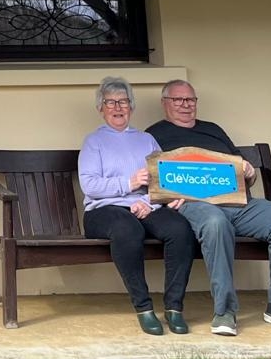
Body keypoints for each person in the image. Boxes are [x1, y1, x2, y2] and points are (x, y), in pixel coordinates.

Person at [146, 79, 271, 336]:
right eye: (178, 99)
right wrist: (166, 196)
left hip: (236, 203)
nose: (185, 104)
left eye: (190, 99)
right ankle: (225, 311)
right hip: (194, 205)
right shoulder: (153, 134)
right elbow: (151, 178)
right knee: (216, 224)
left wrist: (249, 172)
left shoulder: (213, 130)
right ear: (165, 103)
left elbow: (238, 170)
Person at [77, 76, 195, 336]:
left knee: (179, 229)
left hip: (144, 206)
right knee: (128, 229)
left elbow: (163, 180)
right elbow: (90, 186)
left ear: (131, 106)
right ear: (101, 108)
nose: (118, 107)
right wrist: (128, 183)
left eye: (123, 101)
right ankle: (144, 308)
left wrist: (146, 202)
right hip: (103, 210)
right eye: (110, 102)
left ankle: (174, 307)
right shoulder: (93, 141)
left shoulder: (146, 140)